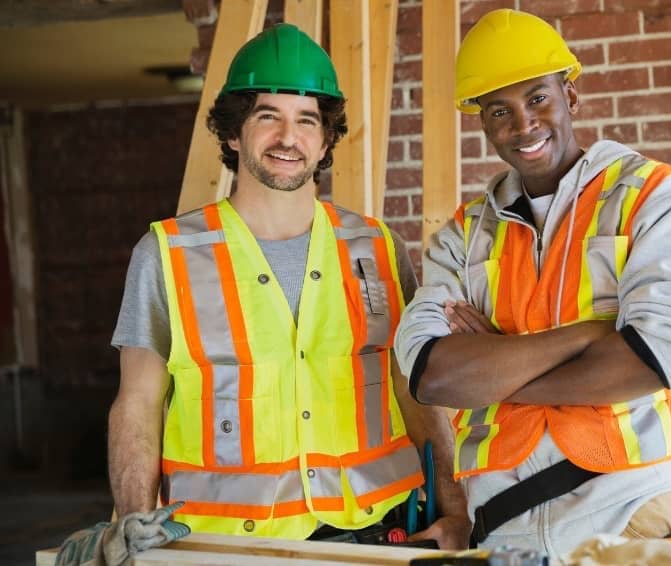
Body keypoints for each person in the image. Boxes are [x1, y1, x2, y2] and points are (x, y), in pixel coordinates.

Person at [108, 23, 469, 548]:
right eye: (267, 116)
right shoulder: (167, 254)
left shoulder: (377, 248)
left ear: (325, 141)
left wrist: (455, 509)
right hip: (224, 542)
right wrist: (130, 525)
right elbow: (137, 402)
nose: (288, 137)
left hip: (377, 531)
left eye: (306, 120)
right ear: (234, 132)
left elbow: (414, 389)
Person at [394, 8, 671, 559]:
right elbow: (432, 376)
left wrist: (496, 372)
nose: (522, 125)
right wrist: (586, 337)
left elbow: (656, 357)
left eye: (538, 98)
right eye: (499, 109)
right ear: (481, 121)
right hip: (504, 528)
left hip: (633, 511)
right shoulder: (461, 236)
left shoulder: (651, 198)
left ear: (570, 97)